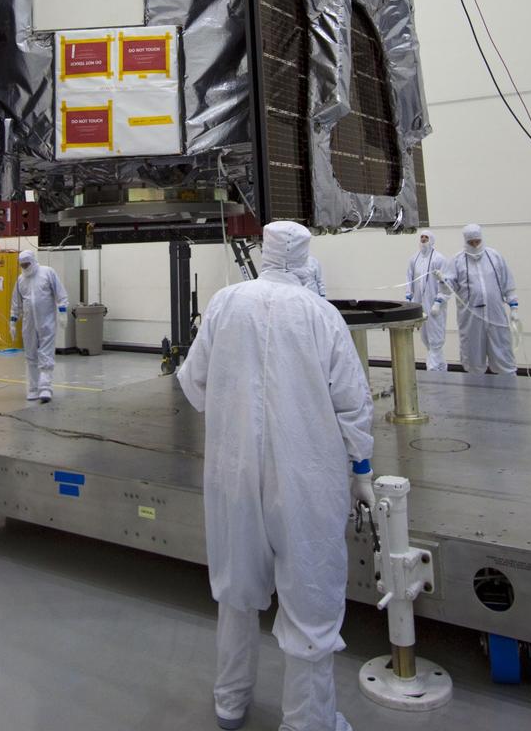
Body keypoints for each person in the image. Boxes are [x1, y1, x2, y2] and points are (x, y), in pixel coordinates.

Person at [177, 221, 374, 731]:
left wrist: (235, 409)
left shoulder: (225, 303)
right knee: (310, 599)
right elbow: (352, 403)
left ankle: (230, 701)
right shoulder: (321, 315)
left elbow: (194, 383)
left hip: (232, 474)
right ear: (307, 257)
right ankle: (307, 723)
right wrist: (363, 468)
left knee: (236, 588)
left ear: (263, 251)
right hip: (306, 478)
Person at [442, 224, 519, 375]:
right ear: (466, 242)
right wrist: (442, 281)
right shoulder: (457, 261)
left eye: (477, 241)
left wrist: (514, 307)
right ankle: (476, 393)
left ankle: (509, 390)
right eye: (471, 243)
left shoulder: (494, 257)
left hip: (495, 314)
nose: (475, 245)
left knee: (502, 349)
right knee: (473, 354)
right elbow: (448, 286)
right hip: (471, 317)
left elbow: (507, 283)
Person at [9, 250, 69, 403]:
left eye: (27, 264)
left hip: (46, 320)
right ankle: (34, 388)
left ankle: (45, 387)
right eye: (22, 265)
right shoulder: (21, 280)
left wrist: (62, 312)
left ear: (33, 261)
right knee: (30, 354)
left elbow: (60, 294)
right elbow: (16, 304)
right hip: (29, 322)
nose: (25, 267)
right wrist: (13, 322)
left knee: (46, 352)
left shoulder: (47, 273)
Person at [406, 230, 449, 372]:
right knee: (425, 337)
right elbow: (410, 279)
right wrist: (409, 298)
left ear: (432, 240)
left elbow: (446, 284)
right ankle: (440, 367)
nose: (423, 239)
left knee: (435, 337)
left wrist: (439, 302)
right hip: (420, 304)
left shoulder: (439, 259)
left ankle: (433, 370)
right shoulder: (414, 259)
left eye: (426, 237)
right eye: (422, 237)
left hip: (435, 305)